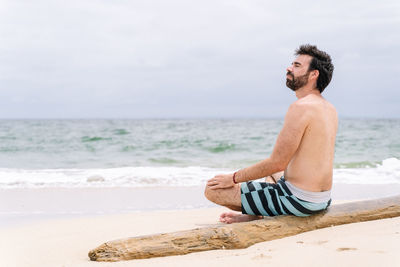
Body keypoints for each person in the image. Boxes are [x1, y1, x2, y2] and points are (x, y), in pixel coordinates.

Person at [204, 44, 337, 224]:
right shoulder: (329, 108)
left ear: (314, 74)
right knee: (276, 176)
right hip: (321, 200)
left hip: (298, 202)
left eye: (297, 66)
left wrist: (232, 178)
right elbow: (282, 167)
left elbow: (276, 162)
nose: (289, 68)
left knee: (213, 190)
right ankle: (254, 213)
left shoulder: (300, 107)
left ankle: (260, 212)